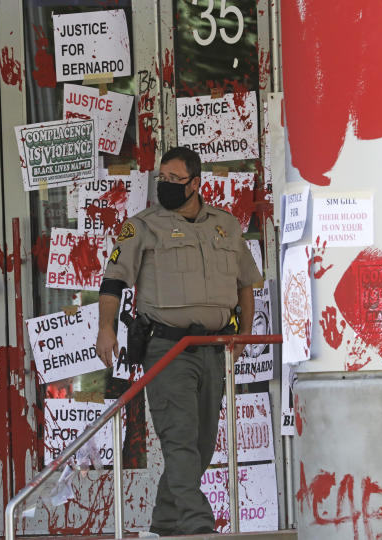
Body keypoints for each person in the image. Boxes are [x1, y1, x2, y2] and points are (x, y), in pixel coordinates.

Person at [95, 146, 262, 536]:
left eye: (175, 179)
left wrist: (243, 335)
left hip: (213, 348)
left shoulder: (226, 224)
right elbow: (113, 281)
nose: (166, 185)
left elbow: (246, 284)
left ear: (196, 183)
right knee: (180, 438)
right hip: (167, 348)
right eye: (162, 179)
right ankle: (198, 524)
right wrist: (106, 328)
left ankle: (165, 523)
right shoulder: (142, 226)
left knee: (201, 446)